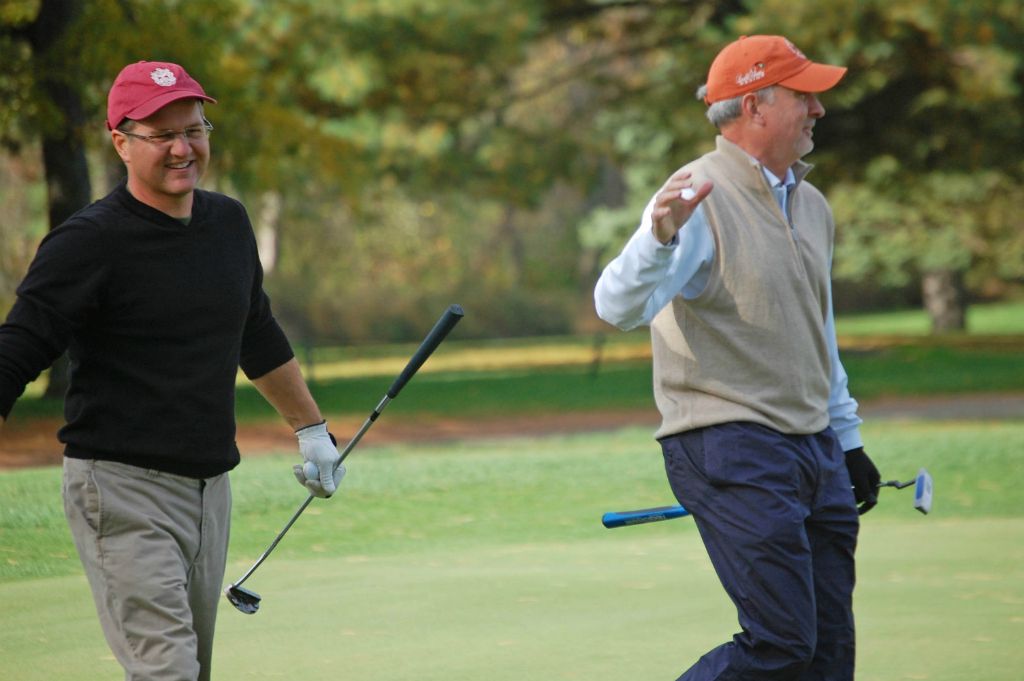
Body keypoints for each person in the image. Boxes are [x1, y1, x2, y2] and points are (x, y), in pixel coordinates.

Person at [0, 61, 345, 681]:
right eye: (163, 136)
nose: (183, 149)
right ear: (121, 143)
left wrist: (312, 430)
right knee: (167, 670)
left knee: (189, 669)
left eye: (194, 130)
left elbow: (255, 331)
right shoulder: (89, 241)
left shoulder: (228, 223)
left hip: (210, 491)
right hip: (120, 490)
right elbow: (18, 349)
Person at [594, 36, 881, 681]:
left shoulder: (811, 204)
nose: (818, 110)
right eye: (804, 96)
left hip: (813, 444)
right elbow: (615, 305)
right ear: (755, 106)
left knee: (828, 654)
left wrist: (848, 439)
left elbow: (817, 333)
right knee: (783, 644)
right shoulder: (695, 194)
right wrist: (659, 237)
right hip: (728, 440)